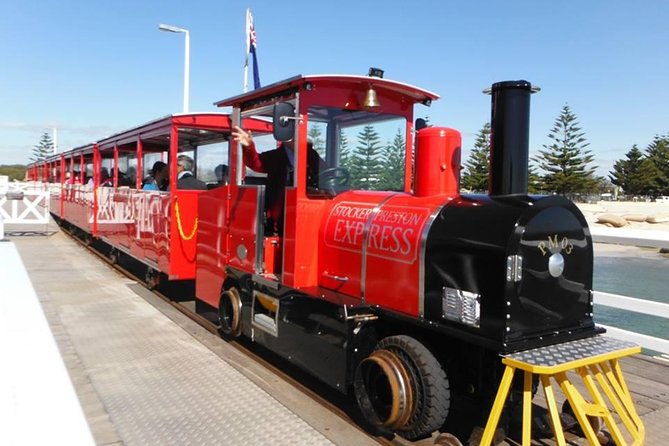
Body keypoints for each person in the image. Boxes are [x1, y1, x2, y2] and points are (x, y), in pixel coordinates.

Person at [232, 126, 326, 234]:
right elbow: (256, 163)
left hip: (309, 209)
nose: (296, 138)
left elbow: (326, 174)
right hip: (282, 213)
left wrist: (323, 189)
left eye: (299, 134)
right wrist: (248, 146)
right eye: (292, 135)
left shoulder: (312, 155)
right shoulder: (275, 156)